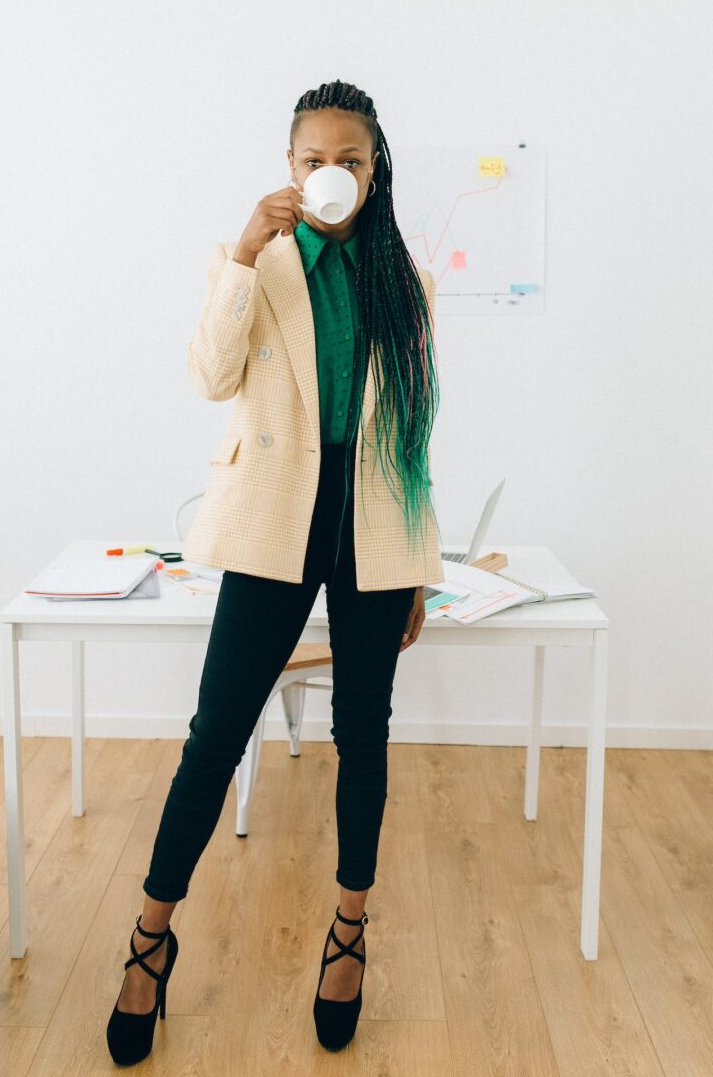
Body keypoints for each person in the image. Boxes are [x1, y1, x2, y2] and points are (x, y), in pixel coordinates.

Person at [106, 78, 445, 1065]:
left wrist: (417, 559)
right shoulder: (254, 263)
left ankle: (349, 934)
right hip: (272, 525)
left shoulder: (405, 280)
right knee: (214, 735)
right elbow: (211, 378)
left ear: (374, 174)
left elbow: (411, 433)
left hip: (373, 528)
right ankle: (149, 939)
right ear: (289, 168)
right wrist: (249, 251)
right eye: (314, 160)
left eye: (351, 160)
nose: (332, 174)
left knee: (364, 738)